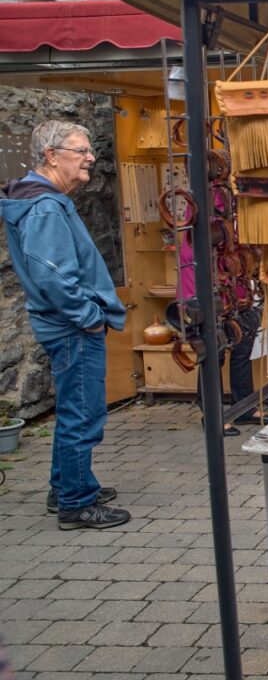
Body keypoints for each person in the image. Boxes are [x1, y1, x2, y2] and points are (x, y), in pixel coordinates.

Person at [1, 120, 129, 530]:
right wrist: (90, 318)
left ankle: (65, 486)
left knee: (74, 410)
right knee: (83, 414)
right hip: (73, 328)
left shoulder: (42, 200)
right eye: (81, 150)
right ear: (52, 156)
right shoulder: (44, 207)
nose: (91, 156)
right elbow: (53, 276)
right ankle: (77, 503)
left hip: (66, 325)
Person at [178, 238, 268, 438]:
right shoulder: (199, 231)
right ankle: (212, 415)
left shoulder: (231, 222)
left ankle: (244, 407)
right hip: (207, 297)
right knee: (214, 354)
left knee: (243, 348)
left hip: (236, 295)